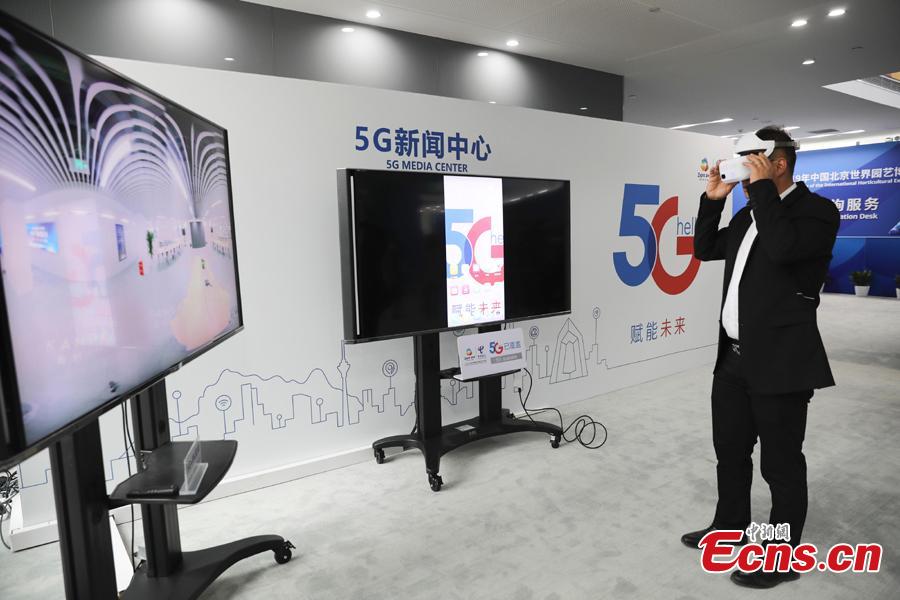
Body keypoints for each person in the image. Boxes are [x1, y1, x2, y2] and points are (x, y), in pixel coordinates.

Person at [681, 126, 840, 589]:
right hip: (732, 359)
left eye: (751, 159)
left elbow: (784, 248)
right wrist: (713, 200)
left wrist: (763, 193)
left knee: (781, 463)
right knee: (730, 453)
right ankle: (729, 527)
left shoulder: (817, 212)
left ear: (779, 162)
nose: (742, 167)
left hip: (782, 361)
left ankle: (782, 556)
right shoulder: (751, 213)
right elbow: (704, 249)